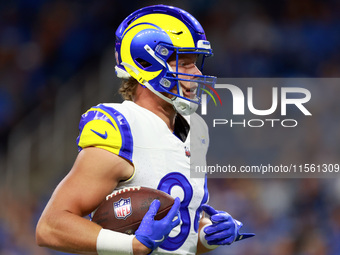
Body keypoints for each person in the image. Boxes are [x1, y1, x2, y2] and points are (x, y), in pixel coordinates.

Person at [36, 4, 254, 255]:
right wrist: (132, 245)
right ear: (147, 64)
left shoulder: (195, 130)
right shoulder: (122, 128)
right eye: (184, 64)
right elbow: (50, 227)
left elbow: (176, 237)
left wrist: (207, 233)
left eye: (195, 63)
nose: (196, 73)